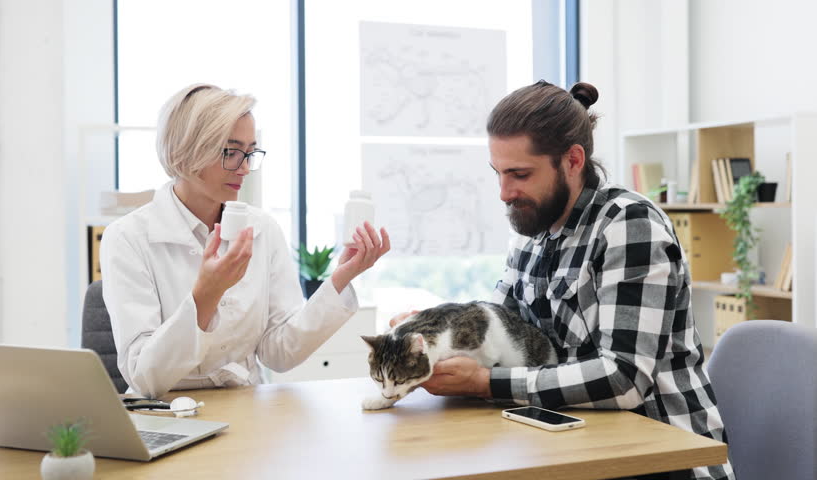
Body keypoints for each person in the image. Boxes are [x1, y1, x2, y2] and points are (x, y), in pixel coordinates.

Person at [400, 81, 734, 480]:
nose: (504, 193)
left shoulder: (629, 225)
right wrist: (438, 336)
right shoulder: (532, 229)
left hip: (664, 456)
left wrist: (487, 382)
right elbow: (498, 328)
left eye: (519, 174)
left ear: (573, 160)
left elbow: (623, 379)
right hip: (572, 443)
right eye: (498, 173)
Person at [100, 84, 390, 399]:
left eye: (250, 152)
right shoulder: (127, 238)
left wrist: (341, 277)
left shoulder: (262, 229)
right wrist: (205, 297)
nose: (245, 168)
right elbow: (145, 378)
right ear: (185, 152)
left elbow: (279, 352)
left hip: (245, 409)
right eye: (230, 152)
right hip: (164, 413)